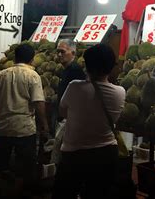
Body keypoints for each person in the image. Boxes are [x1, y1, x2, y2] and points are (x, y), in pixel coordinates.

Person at [52, 44, 126, 199]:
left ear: (86, 65)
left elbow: (62, 112)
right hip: (106, 154)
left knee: (64, 194)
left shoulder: (74, 87)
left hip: (74, 154)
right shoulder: (120, 92)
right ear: (111, 67)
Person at [0, 43, 49, 197]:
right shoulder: (33, 76)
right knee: (24, 164)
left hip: (3, 126)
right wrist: (45, 125)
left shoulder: (2, 74)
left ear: (15, 57)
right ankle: (16, 192)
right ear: (32, 59)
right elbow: (38, 102)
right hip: (24, 128)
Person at [52, 39, 85, 132]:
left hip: (69, 121)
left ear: (73, 53)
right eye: (58, 51)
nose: (59, 55)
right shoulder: (66, 69)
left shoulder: (75, 71)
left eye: (62, 52)